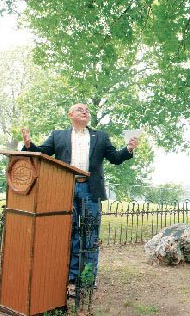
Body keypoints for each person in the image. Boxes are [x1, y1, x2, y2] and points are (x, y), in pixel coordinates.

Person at [21, 103, 139, 286]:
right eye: (80, 109)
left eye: (87, 110)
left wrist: (129, 148)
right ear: (70, 115)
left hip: (90, 190)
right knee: (68, 231)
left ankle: (87, 278)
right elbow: (42, 153)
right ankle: (71, 275)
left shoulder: (100, 136)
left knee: (90, 234)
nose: (85, 112)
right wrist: (29, 145)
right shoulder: (57, 135)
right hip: (64, 188)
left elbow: (115, 158)